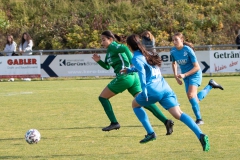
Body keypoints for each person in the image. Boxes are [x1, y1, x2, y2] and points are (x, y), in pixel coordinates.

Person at [122, 34, 209, 151]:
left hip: (152, 89)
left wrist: (145, 91)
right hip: (165, 88)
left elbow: (142, 74)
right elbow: (148, 68)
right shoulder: (148, 53)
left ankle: (150, 133)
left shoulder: (136, 58)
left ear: (129, 46)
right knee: (179, 114)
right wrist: (130, 69)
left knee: (135, 105)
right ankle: (201, 135)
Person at [92, 30, 174, 135]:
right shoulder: (109, 51)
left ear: (111, 39)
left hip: (124, 77)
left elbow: (125, 48)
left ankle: (114, 122)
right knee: (144, 101)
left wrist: (133, 62)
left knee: (102, 98)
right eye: (101, 40)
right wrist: (98, 60)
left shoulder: (114, 46)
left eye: (104, 40)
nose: (102, 42)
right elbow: (107, 66)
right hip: (133, 78)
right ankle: (166, 121)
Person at [170, 32, 224, 125]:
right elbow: (174, 63)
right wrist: (176, 76)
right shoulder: (173, 51)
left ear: (182, 40)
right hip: (186, 76)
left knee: (191, 95)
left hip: (195, 74)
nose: (174, 42)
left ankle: (199, 119)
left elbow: (197, 67)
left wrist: (184, 75)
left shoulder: (188, 50)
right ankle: (210, 85)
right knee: (193, 99)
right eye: (173, 40)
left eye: (176, 40)